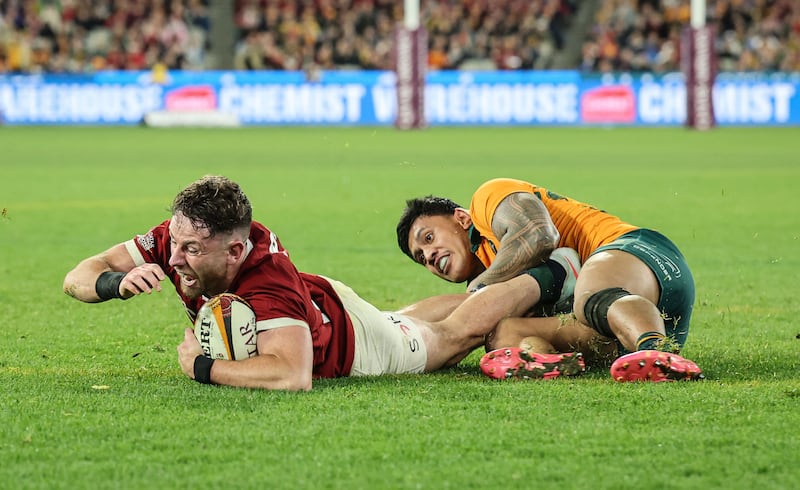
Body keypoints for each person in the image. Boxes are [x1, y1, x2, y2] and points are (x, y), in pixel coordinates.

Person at [63, 175, 588, 392]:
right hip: (328, 301)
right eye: (174, 242)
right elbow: (77, 277)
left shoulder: (265, 283)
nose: (174, 257)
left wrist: (202, 367)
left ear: (236, 250)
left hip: (360, 347)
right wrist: (115, 282)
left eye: (192, 250)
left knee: (454, 336)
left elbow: (292, 375)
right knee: (404, 313)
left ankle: (555, 272)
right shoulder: (181, 238)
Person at [396, 177, 704, 383]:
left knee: (589, 298)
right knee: (502, 333)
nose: (430, 255)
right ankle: (548, 360)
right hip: (621, 336)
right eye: (421, 257)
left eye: (428, 237)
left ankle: (658, 351)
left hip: (638, 255)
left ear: (461, 218)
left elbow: (538, 235)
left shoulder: (488, 199)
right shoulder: (491, 276)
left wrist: (479, 296)